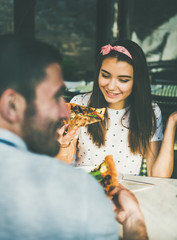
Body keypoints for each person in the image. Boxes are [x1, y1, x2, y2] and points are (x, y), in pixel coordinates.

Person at [0, 34, 148, 240]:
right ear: (11, 104)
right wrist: (134, 220)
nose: (66, 111)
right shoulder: (82, 193)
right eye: (55, 97)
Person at [57, 40, 176, 178]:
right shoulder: (81, 104)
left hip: (128, 191)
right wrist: (63, 145)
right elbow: (63, 166)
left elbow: (158, 176)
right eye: (105, 75)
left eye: (123, 80)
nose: (112, 86)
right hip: (86, 187)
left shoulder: (149, 112)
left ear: (137, 81)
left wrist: (172, 122)